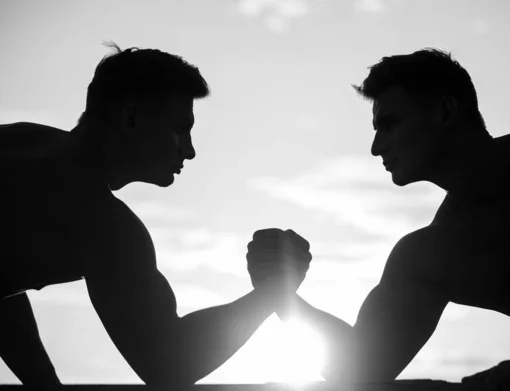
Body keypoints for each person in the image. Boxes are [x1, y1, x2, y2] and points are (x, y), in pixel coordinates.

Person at [246, 48, 510, 388]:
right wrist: (281, 296)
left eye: (390, 124)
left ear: (445, 112)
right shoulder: (430, 254)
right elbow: (362, 367)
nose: (376, 147)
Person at [0, 42, 310, 386]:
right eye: (181, 128)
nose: (190, 151)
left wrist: (42, 382)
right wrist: (272, 293)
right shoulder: (105, 226)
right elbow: (169, 364)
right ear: (130, 118)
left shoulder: (19, 140)